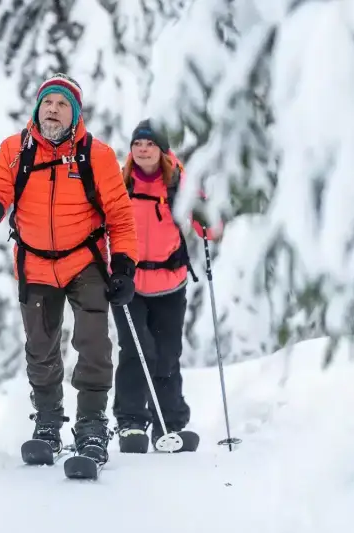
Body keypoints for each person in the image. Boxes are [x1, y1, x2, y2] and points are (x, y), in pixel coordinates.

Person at [0, 73, 139, 464]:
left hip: (86, 262)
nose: (53, 109)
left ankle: (92, 424)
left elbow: (120, 217)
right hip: (36, 264)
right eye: (48, 102)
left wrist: (125, 265)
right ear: (37, 108)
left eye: (63, 104)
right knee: (41, 349)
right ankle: (47, 423)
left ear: (75, 114)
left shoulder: (97, 156)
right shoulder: (16, 150)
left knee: (93, 342)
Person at [112, 119, 222, 452]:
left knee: (167, 354)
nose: (143, 150)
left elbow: (210, 229)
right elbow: (100, 223)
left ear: (162, 151)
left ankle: (168, 426)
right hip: (128, 284)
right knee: (135, 351)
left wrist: (206, 218)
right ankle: (131, 424)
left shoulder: (178, 184)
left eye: (149, 144)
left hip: (169, 284)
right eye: (137, 144)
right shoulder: (119, 183)